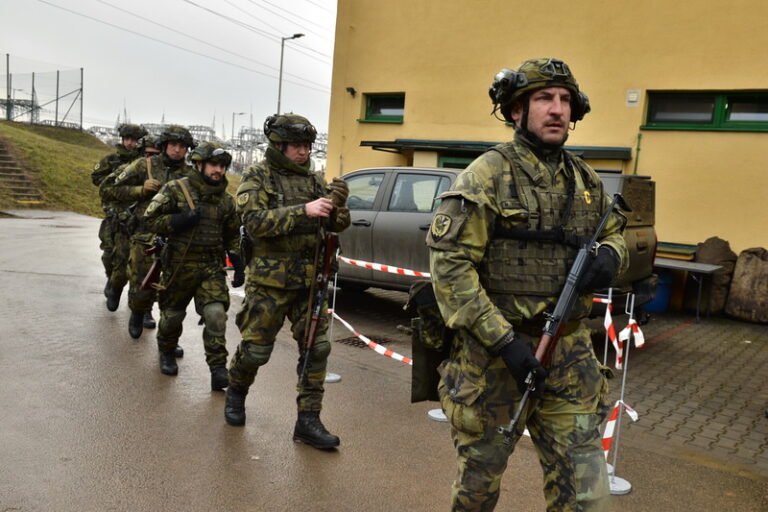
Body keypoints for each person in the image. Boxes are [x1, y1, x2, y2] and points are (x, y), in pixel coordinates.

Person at [426, 58, 629, 511]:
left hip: (570, 356)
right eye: (544, 99)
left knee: (587, 494)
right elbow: (451, 269)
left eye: (564, 101)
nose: (557, 110)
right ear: (517, 110)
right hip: (496, 360)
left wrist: (613, 255)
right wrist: (504, 343)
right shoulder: (486, 175)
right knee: (477, 489)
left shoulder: (586, 180)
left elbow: (616, 231)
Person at [225, 114, 350, 451]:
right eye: (297, 145)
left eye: (308, 146)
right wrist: (303, 212)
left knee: (317, 349)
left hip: (309, 284)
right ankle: (236, 391)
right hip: (269, 283)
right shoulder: (257, 176)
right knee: (256, 352)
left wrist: (338, 205)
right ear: (279, 145)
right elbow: (253, 222)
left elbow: (338, 225)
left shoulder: (313, 181)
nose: (304, 152)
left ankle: (308, 420)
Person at [143, 142, 244, 388]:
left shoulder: (226, 201)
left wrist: (238, 260)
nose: (218, 170)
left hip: (210, 267)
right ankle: (166, 351)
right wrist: (179, 220)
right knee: (172, 316)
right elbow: (151, 219)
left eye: (222, 166)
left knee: (216, 315)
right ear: (199, 164)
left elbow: (232, 233)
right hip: (179, 265)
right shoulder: (176, 190)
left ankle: (218, 368)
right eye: (213, 165)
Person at [104, 125, 196, 340]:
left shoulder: (191, 175)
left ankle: (168, 341)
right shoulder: (143, 165)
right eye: (173, 145)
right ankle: (137, 311)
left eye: (182, 146)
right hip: (145, 236)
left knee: (172, 294)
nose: (177, 150)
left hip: (176, 239)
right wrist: (139, 190)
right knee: (141, 284)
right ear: (165, 145)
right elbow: (108, 188)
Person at [99, 134, 161, 312]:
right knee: (120, 267)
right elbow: (107, 190)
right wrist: (140, 190)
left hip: (149, 232)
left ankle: (144, 311)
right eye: (149, 154)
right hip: (125, 227)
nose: (152, 159)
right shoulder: (131, 169)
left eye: (157, 155)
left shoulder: (166, 174)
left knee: (148, 273)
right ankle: (115, 287)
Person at [92, 123, 147, 301]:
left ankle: (140, 303)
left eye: (134, 140)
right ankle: (112, 279)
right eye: (127, 139)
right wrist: (116, 180)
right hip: (114, 215)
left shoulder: (144, 163)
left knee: (138, 260)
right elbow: (97, 179)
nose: (130, 143)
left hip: (135, 216)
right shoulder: (111, 160)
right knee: (109, 254)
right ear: (123, 139)